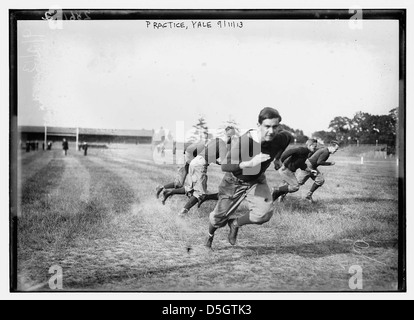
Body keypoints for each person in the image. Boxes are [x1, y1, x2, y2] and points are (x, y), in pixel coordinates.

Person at [205, 107, 293, 249]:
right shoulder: (246, 141)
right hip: (234, 181)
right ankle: (210, 237)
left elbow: (287, 139)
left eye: (275, 127)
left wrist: (278, 159)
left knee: (263, 214)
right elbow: (225, 165)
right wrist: (249, 163)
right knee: (217, 219)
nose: (271, 131)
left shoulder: (281, 137)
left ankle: (235, 224)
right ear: (259, 125)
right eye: (267, 127)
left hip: (257, 180)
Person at [161, 137, 229, 216]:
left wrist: (217, 162)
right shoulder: (223, 146)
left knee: (190, 189)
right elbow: (225, 164)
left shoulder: (216, 140)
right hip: (200, 165)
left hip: (194, 162)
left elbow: (208, 154)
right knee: (200, 193)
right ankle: (183, 212)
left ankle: (169, 192)